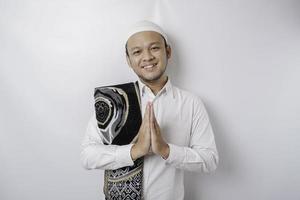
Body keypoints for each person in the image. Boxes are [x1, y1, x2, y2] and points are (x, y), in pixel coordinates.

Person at [81, 20, 219, 200]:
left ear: (168, 51)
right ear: (128, 60)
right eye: (137, 52)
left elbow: (210, 160)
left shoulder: (190, 103)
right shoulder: (112, 100)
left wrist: (166, 150)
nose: (147, 57)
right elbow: (87, 156)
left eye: (154, 48)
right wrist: (135, 151)